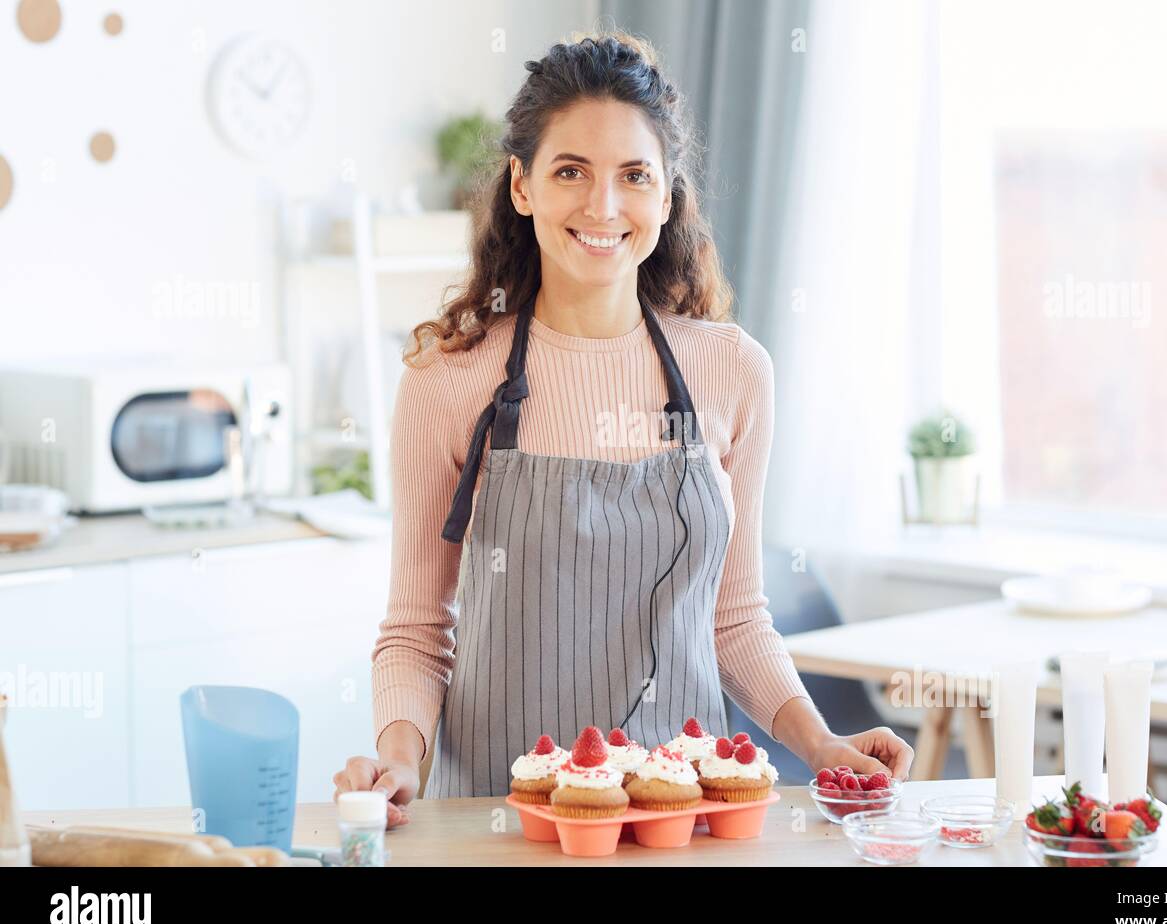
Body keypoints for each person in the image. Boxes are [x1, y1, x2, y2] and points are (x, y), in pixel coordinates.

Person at [333, 31, 912, 827]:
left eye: (634, 176)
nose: (603, 207)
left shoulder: (734, 372)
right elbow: (417, 629)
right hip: (502, 822)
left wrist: (820, 744)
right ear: (523, 185)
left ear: (667, 195)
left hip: (683, 817)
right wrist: (399, 760)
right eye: (571, 170)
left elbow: (734, 618)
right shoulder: (449, 379)